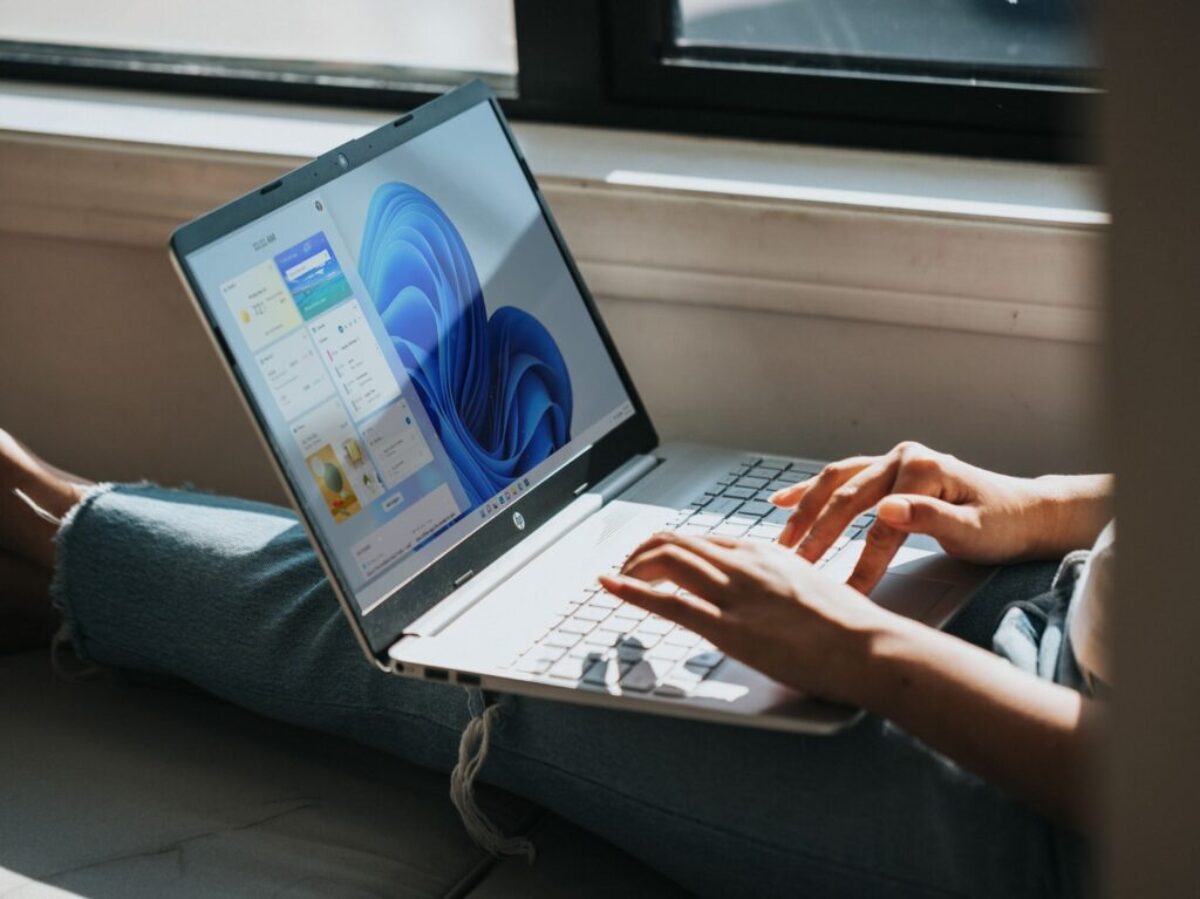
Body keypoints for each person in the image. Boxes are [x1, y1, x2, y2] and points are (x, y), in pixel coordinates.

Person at [0, 430, 1111, 897]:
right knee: (508, 568)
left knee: (432, 633)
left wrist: (862, 649)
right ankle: (56, 546)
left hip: (1057, 813)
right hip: (1056, 605)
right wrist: (1045, 507)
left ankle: (41, 518)